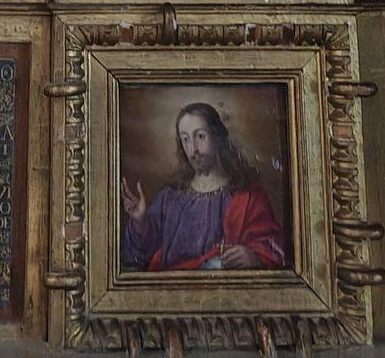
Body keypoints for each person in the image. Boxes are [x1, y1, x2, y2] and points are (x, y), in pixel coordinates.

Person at [119, 102, 286, 271]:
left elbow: (273, 250)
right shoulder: (170, 197)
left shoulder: (248, 196)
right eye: (185, 139)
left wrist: (254, 257)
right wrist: (140, 221)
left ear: (218, 137)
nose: (193, 149)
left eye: (200, 136)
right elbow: (141, 255)